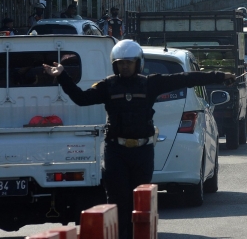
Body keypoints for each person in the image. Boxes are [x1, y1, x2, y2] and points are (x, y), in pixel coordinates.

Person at [42, 40, 235, 239]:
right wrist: (63, 76)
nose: (125, 66)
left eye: (129, 62)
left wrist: (220, 76)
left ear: (138, 63)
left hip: (142, 153)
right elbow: (81, 99)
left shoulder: (150, 83)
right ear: (114, 64)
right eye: (121, 62)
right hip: (116, 153)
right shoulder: (107, 86)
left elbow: (185, 78)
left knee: (139, 204)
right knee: (118, 204)